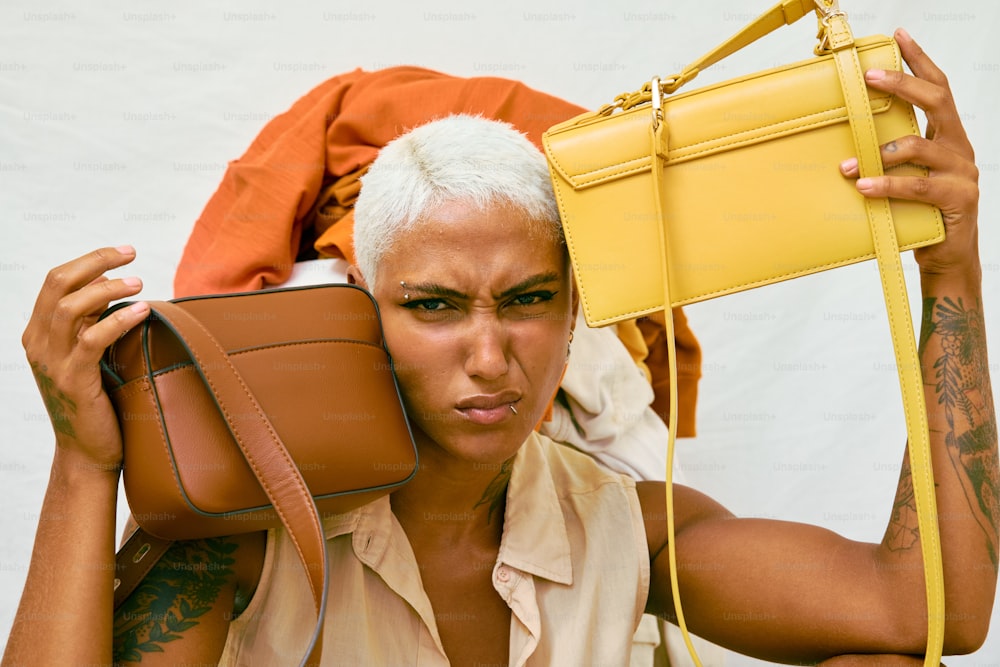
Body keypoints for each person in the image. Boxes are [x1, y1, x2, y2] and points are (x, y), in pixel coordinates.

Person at [4, 29, 995, 666]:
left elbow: (921, 613)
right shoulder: (246, 538)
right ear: (362, 313)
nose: (489, 354)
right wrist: (84, 464)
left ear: (574, 317)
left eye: (525, 299)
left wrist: (948, 274)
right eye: (433, 306)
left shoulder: (626, 530)